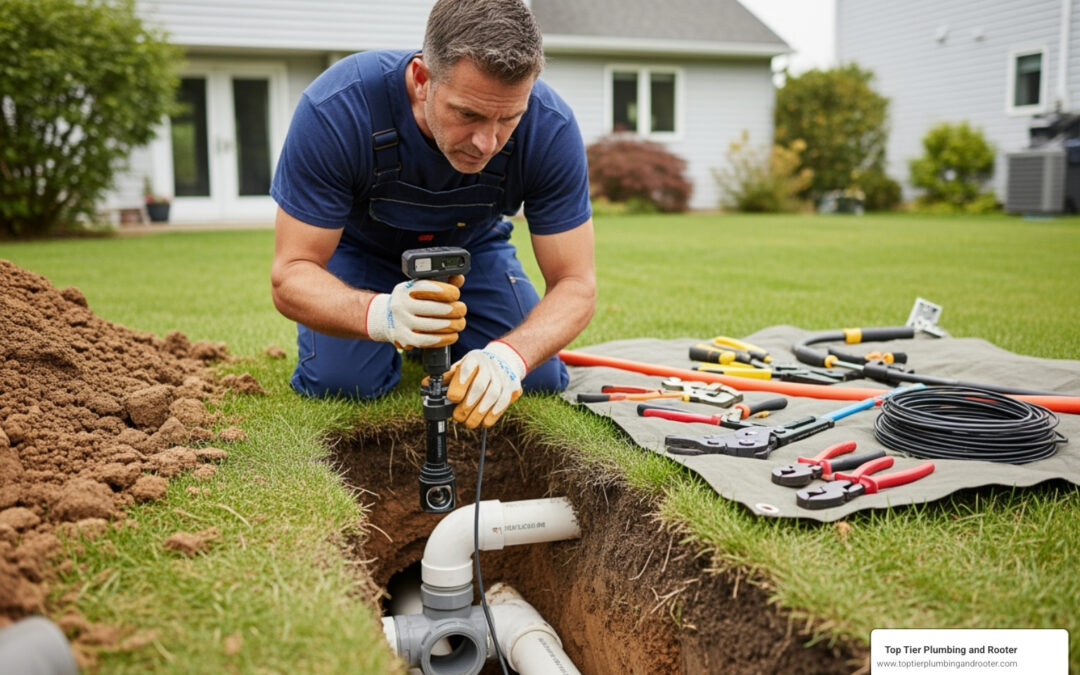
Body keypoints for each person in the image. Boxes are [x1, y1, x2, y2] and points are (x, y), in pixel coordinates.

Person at [270, 0, 596, 429]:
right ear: (423, 79)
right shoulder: (338, 108)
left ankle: (444, 339)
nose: (487, 142)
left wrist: (509, 357)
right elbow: (291, 275)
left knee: (537, 378)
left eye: (509, 118)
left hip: (470, 253)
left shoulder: (550, 127)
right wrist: (383, 315)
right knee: (343, 383)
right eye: (468, 114)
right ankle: (405, 337)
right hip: (359, 255)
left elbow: (576, 283)